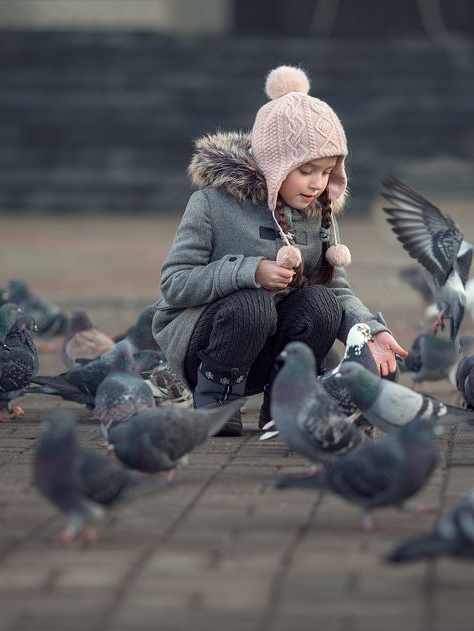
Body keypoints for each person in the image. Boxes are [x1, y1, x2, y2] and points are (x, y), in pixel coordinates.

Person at [152, 65, 408, 436]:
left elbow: (337, 291)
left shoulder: (315, 213)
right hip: (208, 345)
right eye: (306, 170)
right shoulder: (211, 204)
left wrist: (370, 331)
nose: (317, 184)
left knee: (322, 302)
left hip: (268, 350)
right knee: (252, 303)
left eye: (326, 171)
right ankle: (217, 401)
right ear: (275, 164)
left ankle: (284, 400)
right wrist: (250, 272)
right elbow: (174, 283)